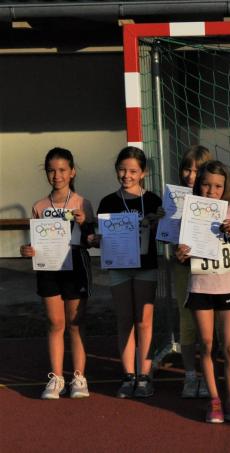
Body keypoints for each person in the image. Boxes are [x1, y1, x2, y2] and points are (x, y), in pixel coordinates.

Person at [175, 161, 230, 424]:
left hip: (228, 286)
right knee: (207, 345)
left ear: (225, 187)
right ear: (199, 185)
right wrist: (180, 254)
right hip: (200, 286)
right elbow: (181, 252)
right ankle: (215, 400)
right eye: (206, 185)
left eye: (217, 186)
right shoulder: (190, 211)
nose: (211, 190)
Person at [20, 147, 94, 399]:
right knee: (55, 323)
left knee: (75, 324)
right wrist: (27, 250)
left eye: (62, 170)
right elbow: (35, 244)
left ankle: (79, 377)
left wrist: (85, 225)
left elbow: (92, 241)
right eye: (51, 170)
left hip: (75, 268)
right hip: (49, 269)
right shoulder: (39, 206)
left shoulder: (83, 203)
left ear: (72, 172)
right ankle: (56, 377)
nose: (57, 175)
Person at [97, 147, 162, 398]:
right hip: (119, 269)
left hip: (145, 268)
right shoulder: (108, 201)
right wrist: (97, 237)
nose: (127, 175)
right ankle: (128, 375)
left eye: (133, 171)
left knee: (144, 321)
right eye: (122, 169)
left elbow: (163, 235)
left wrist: (157, 223)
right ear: (116, 170)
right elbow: (100, 238)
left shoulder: (154, 201)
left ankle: (144, 374)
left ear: (143, 173)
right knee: (124, 320)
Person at [172, 145, 213, 398]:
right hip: (183, 268)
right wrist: (163, 220)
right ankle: (189, 375)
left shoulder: (217, 200)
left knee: (212, 327)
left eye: (197, 170)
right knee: (186, 322)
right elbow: (166, 235)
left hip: (210, 271)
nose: (191, 175)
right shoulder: (173, 199)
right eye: (187, 169)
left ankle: (210, 377)